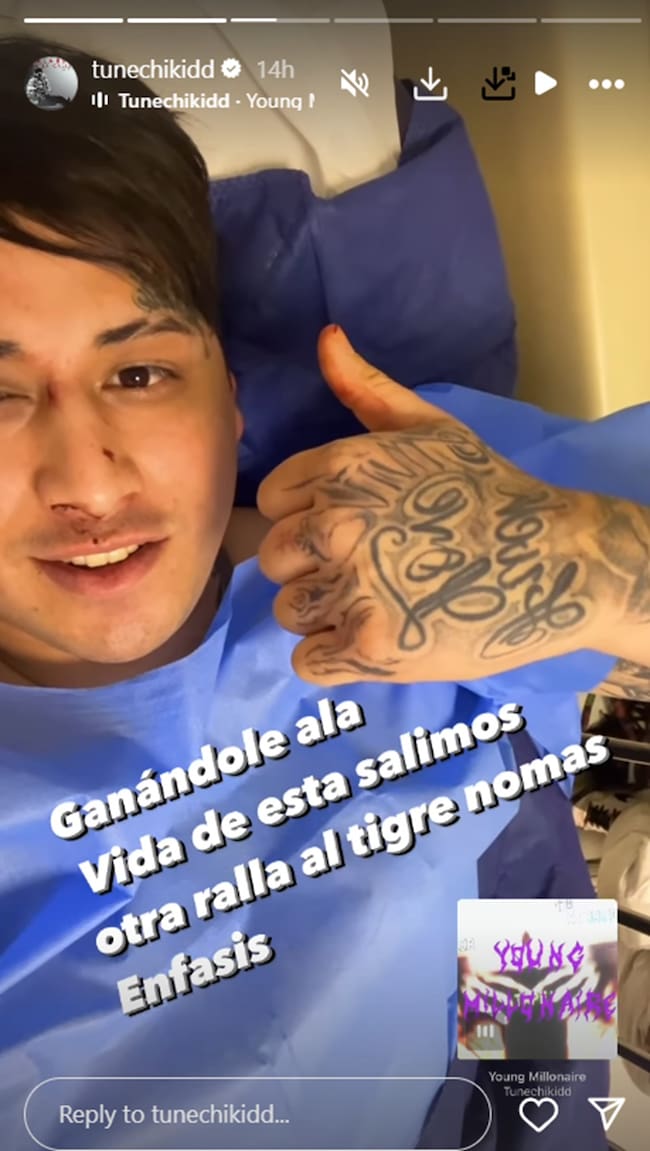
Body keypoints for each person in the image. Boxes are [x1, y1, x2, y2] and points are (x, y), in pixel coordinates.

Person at [1, 33, 648, 1151]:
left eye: (140, 372)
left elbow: (528, 910)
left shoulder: (429, 522)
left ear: (230, 400)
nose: (88, 483)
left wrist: (583, 562)